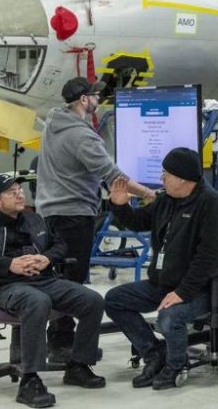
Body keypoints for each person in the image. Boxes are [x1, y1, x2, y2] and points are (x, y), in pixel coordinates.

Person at [0, 174, 105, 408]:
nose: (20, 195)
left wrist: (47, 258)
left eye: (20, 190)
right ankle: (29, 380)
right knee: (37, 301)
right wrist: (8, 264)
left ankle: (78, 366)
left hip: (42, 279)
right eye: (12, 192)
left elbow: (60, 244)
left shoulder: (34, 219)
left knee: (92, 300)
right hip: (2, 286)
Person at [35, 76, 155, 358]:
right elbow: (114, 176)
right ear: (83, 100)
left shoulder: (54, 120)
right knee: (72, 283)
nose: (98, 100)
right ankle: (63, 345)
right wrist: (149, 193)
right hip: (73, 215)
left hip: (49, 213)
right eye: (94, 96)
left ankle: (58, 339)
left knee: (59, 277)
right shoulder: (81, 136)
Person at [104, 147, 218, 390]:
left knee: (169, 318)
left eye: (166, 174)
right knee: (115, 300)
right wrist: (120, 206)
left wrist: (182, 293)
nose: (162, 178)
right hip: (161, 283)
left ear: (182, 179)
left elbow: (208, 258)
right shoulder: (166, 199)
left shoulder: (210, 204)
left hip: (196, 290)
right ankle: (154, 354)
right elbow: (139, 221)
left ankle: (176, 365)